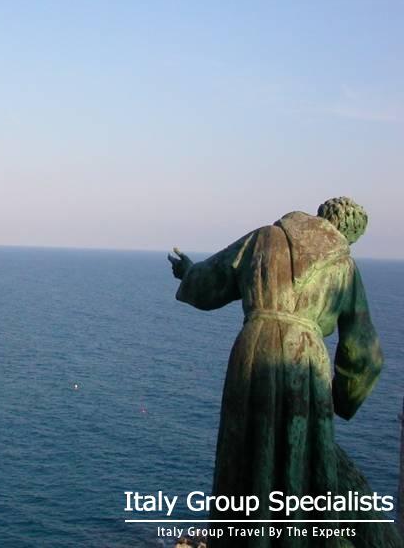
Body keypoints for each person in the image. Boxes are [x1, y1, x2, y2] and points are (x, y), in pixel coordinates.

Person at [168, 197, 401, 547]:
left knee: (244, 448)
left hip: (252, 351)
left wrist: (187, 271)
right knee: (305, 457)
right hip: (304, 363)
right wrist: (340, 399)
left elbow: (212, 279)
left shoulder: (265, 238)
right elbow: (365, 354)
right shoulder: (344, 267)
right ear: (346, 234)